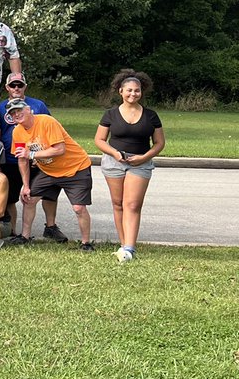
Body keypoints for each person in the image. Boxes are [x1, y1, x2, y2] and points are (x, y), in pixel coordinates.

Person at [94, 69, 165, 262]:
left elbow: (159, 143)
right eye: (129, 90)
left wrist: (144, 158)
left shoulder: (151, 116)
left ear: (142, 92)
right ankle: (123, 245)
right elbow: (100, 140)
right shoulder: (110, 114)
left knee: (132, 204)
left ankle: (130, 248)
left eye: (137, 91)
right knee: (118, 204)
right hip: (114, 162)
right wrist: (114, 153)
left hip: (140, 164)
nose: (133, 94)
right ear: (121, 91)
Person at [9, 98, 96, 251]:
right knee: (28, 199)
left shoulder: (47, 122)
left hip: (76, 168)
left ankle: (86, 244)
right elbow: (22, 159)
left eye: (19, 110)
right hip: (49, 171)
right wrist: (26, 185)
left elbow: (59, 149)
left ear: (28, 109)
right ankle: (25, 236)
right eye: (13, 113)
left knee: (78, 208)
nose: (17, 115)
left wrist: (31, 154)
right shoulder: (17, 132)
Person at [0, 75, 63, 246]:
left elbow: (49, 128)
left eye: (20, 85)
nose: (16, 88)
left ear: (25, 86)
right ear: (7, 87)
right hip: (11, 158)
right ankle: (13, 231)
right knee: (11, 198)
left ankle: (50, 226)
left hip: (38, 160)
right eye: (13, 85)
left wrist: (39, 155)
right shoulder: (0, 107)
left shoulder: (38, 105)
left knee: (48, 194)